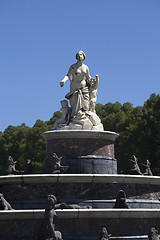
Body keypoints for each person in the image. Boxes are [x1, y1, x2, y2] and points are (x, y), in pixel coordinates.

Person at [60, 50, 91, 119]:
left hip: (84, 89)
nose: (80, 56)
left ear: (84, 56)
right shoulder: (73, 66)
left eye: (81, 55)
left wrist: (94, 81)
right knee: (74, 107)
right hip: (74, 88)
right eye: (78, 55)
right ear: (76, 57)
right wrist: (63, 80)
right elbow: (68, 75)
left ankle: (84, 118)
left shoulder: (86, 67)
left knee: (86, 106)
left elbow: (88, 78)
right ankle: (75, 119)